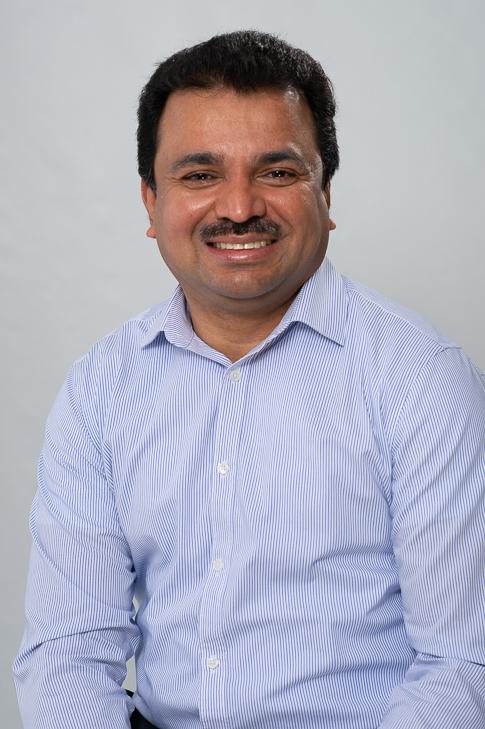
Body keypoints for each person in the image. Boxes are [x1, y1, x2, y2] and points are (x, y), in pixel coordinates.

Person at [13, 30, 485, 729]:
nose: (238, 206)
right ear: (150, 202)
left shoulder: (422, 379)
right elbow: (68, 652)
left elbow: (460, 664)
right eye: (199, 175)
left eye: (277, 171)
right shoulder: (100, 390)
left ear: (325, 193)